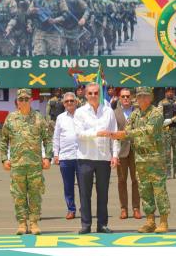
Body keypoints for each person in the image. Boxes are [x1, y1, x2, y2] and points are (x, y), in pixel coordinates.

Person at [112, 86, 170, 233]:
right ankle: (150, 221)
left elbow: (148, 130)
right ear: (136, 99)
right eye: (139, 97)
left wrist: (124, 134)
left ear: (150, 97)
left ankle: (163, 221)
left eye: (145, 96)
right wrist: (120, 134)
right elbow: (127, 128)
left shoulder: (156, 113)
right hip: (140, 158)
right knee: (145, 190)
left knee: (159, 191)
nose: (142, 99)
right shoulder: (135, 114)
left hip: (155, 158)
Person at [0, 88, 52, 235]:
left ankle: (34, 223)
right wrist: (4, 159)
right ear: (17, 101)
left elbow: (48, 139)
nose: (23, 101)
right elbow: (4, 140)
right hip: (17, 164)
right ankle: (22, 223)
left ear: (31, 100)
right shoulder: (10, 118)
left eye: (26, 99)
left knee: (35, 194)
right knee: (19, 195)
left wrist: (47, 157)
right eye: (20, 99)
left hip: (35, 164)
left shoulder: (38, 118)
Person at [73, 83, 119, 234]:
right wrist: (96, 133)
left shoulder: (108, 111)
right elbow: (79, 133)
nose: (93, 96)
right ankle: (86, 224)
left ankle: (102, 224)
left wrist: (115, 155)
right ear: (85, 95)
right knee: (85, 193)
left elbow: (115, 135)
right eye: (90, 93)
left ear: (100, 94)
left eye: (96, 93)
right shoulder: (79, 112)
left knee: (103, 193)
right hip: (85, 157)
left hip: (104, 157)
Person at [114, 88, 141, 220]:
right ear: (119, 98)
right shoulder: (114, 113)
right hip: (121, 151)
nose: (125, 99)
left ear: (132, 98)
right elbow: (113, 133)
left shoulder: (138, 112)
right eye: (123, 96)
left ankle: (136, 208)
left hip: (136, 150)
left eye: (128, 96)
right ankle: (123, 208)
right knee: (121, 180)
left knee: (136, 180)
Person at [53, 92, 80, 220]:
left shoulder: (83, 116)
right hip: (65, 157)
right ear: (64, 104)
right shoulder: (60, 118)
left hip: (81, 156)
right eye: (67, 101)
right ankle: (71, 209)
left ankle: (84, 209)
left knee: (84, 186)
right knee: (68, 186)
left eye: (72, 101)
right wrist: (55, 154)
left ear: (76, 102)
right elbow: (56, 137)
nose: (69, 103)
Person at [157, 87, 176, 178]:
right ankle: (167, 171)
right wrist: (164, 121)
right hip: (166, 130)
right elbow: (158, 115)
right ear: (166, 93)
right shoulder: (162, 103)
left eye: (172, 92)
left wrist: (172, 120)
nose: (170, 93)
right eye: (168, 92)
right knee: (166, 151)